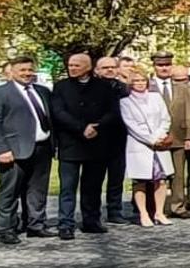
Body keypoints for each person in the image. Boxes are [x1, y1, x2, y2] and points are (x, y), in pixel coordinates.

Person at [51, 51, 122, 239]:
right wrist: (81, 127)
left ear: (88, 67)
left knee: (92, 186)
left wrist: (97, 126)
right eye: (70, 65)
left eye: (77, 65)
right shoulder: (61, 87)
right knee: (68, 187)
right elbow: (58, 112)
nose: (72, 68)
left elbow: (113, 111)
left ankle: (91, 221)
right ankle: (66, 224)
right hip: (70, 143)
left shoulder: (103, 87)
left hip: (96, 143)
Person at [0, 54, 54, 244]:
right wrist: (1, 149)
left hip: (42, 147)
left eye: (30, 70)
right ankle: (6, 229)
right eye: (22, 70)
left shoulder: (42, 91)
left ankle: (35, 224)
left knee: (38, 190)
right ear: (12, 72)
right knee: (10, 191)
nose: (27, 73)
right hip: (13, 150)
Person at [118, 64, 174, 227]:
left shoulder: (156, 97)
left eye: (143, 80)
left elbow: (165, 118)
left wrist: (160, 136)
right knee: (140, 181)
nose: (140, 83)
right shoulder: (125, 102)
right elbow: (131, 125)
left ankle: (159, 212)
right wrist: (151, 139)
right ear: (131, 84)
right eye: (136, 81)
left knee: (161, 180)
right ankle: (143, 213)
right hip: (140, 145)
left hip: (160, 144)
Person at [150, 53, 190, 220]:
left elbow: (189, 112)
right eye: (160, 65)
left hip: (180, 135)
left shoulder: (182, 87)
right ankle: (158, 207)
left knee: (178, 174)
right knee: (157, 174)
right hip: (156, 137)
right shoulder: (147, 86)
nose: (164, 68)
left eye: (167, 65)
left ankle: (178, 206)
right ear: (154, 67)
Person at [93, 55, 132, 224]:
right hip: (97, 139)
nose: (109, 70)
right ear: (97, 70)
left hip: (119, 138)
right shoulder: (91, 88)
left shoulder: (124, 88)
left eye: (112, 67)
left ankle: (115, 211)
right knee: (95, 180)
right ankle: (93, 213)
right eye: (105, 67)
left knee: (117, 178)